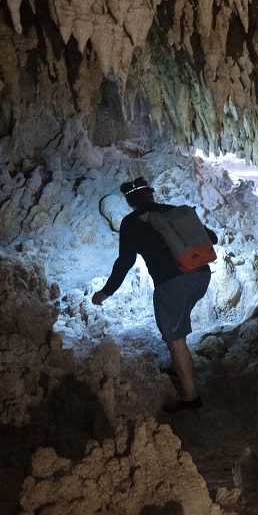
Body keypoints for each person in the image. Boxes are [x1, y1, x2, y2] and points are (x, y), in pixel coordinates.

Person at [92, 177, 217, 413]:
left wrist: (107, 291)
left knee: (175, 339)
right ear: (151, 194)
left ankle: (191, 398)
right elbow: (212, 238)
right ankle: (181, 365)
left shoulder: (131, 222)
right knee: (178, 328)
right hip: (201, 276)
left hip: (172, 283)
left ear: (130, 202)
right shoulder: (173, 211)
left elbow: (125, 261)